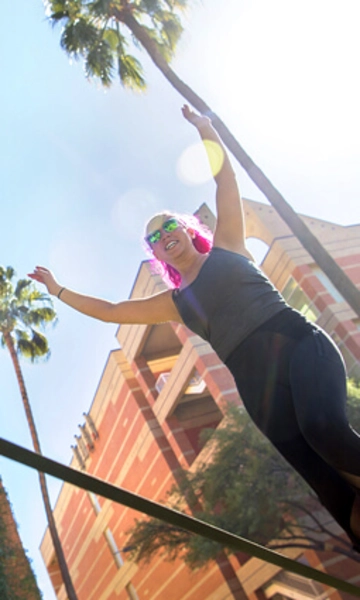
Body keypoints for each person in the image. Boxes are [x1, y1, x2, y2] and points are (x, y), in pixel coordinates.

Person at [29, 105, 360, 550]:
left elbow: (226, 182)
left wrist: (206, 131)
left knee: (324, 429)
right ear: (157, 256)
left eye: (169, 225)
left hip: (298, 346)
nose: (164, 235)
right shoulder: (176, 303)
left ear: (185, 229)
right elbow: (110, 309)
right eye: (154, 238)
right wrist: (59, 290)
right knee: (325, 484)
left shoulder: (229, 245)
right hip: (258, 390)